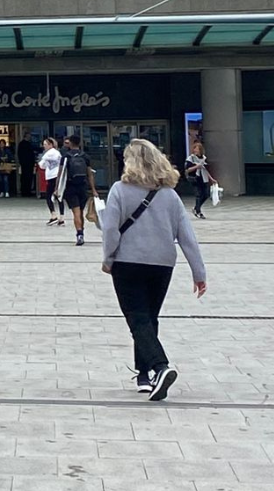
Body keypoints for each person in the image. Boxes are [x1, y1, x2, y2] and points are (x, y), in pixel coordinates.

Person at [101, 139, 207, 401]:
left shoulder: (119, 190)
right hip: (162, 264)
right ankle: (144, 374)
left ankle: (161, 367)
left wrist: (108, 257)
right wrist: (199, 273)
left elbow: (110, 230)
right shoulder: (170, 195)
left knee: (137, 319)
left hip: (128, 262)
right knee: (148, 318)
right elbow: (187, 236)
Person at [59, 135, 99, 247]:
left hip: (70, 186)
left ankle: (79, 234)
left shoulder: (66, 157)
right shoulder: (85, 156)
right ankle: (82, 232)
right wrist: (93, 189)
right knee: (81, 211)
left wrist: (57, 188)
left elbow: (60, 174)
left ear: (70, 143)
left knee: (76, 212)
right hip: (83, 186)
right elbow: (90, 174)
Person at [185, 141, 217, 219]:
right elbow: (187, 170)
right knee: (198, 195)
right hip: (195, 178)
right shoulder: (191, 158)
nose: (196, 150)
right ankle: (198, 211)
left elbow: (205, 170)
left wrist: (211, 179)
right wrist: (196, 167)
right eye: (195, 149)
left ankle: (196, 208)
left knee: (206, 194)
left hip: (204, 178)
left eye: (197, 149)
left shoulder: (204, 158)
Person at [38, 137, 66, 226]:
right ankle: (62, 217)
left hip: (51, 177)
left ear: (50, 145)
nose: (44, 146)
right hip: (58, 176)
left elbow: (41, 165)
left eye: (45, 144)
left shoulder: (47, 154)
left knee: (49, 196)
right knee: (59, 197)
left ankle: (53, 215)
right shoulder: (58, 153)